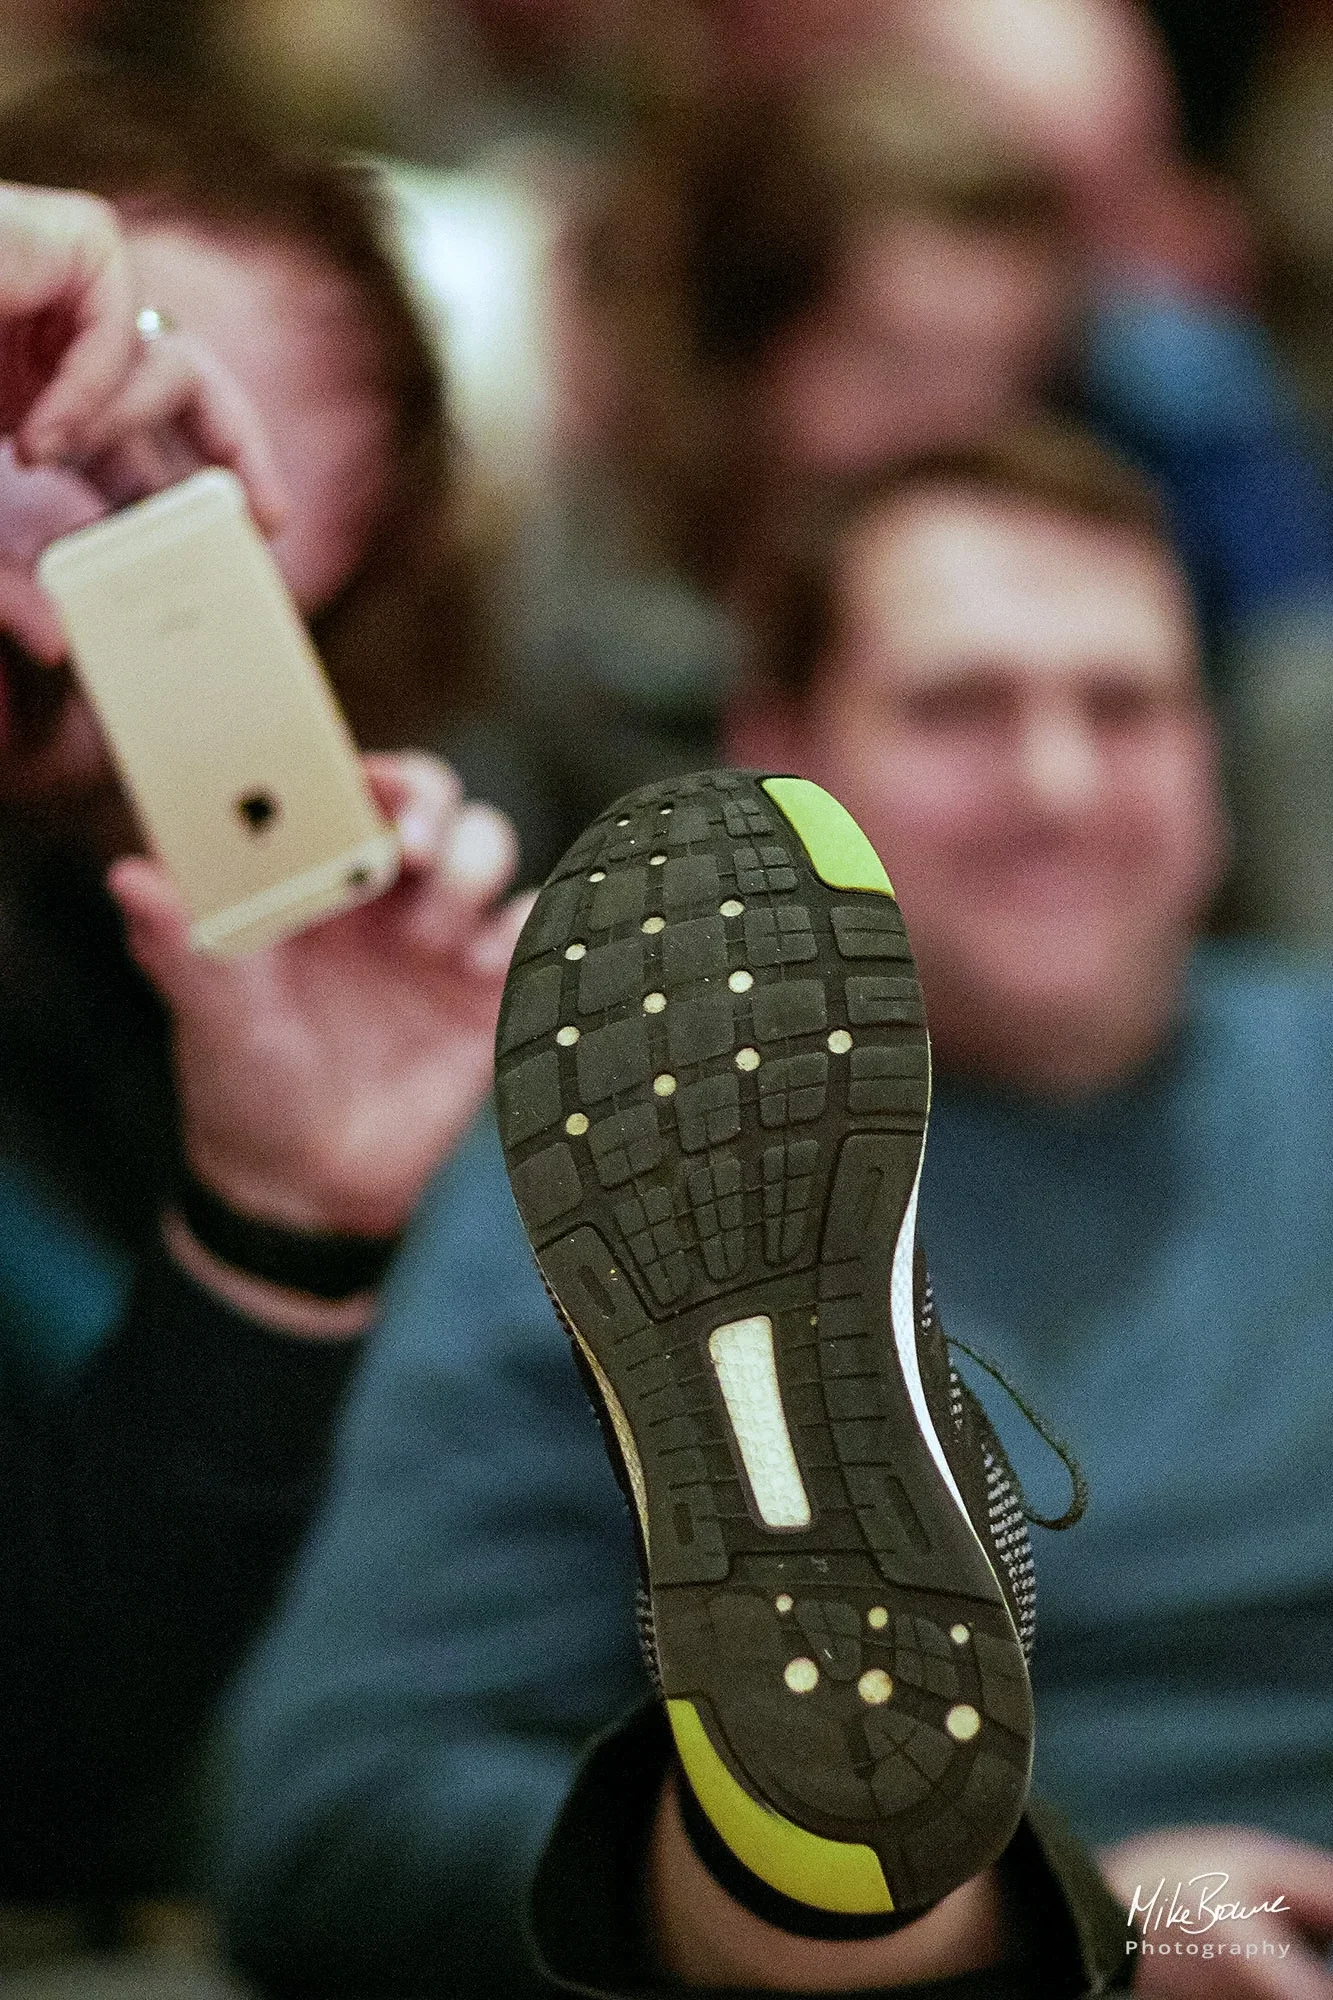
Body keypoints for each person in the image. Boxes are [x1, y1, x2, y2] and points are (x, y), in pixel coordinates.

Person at [221, 420, 1333, 2000]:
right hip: (1014, 1948)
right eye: (961, 708)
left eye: (1128, 705)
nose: (1060, 782)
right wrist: (1069, 1926)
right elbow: (334, 1823)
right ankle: (872, 1872)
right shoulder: (624, 1175)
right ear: (778, 751)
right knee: (880, 1867)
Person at [0, 115, 529, 1910]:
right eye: (83, 437)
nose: (74, 599)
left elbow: (43, 1778)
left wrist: (279, 1229)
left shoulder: (127, 1014)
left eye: (203, 584)